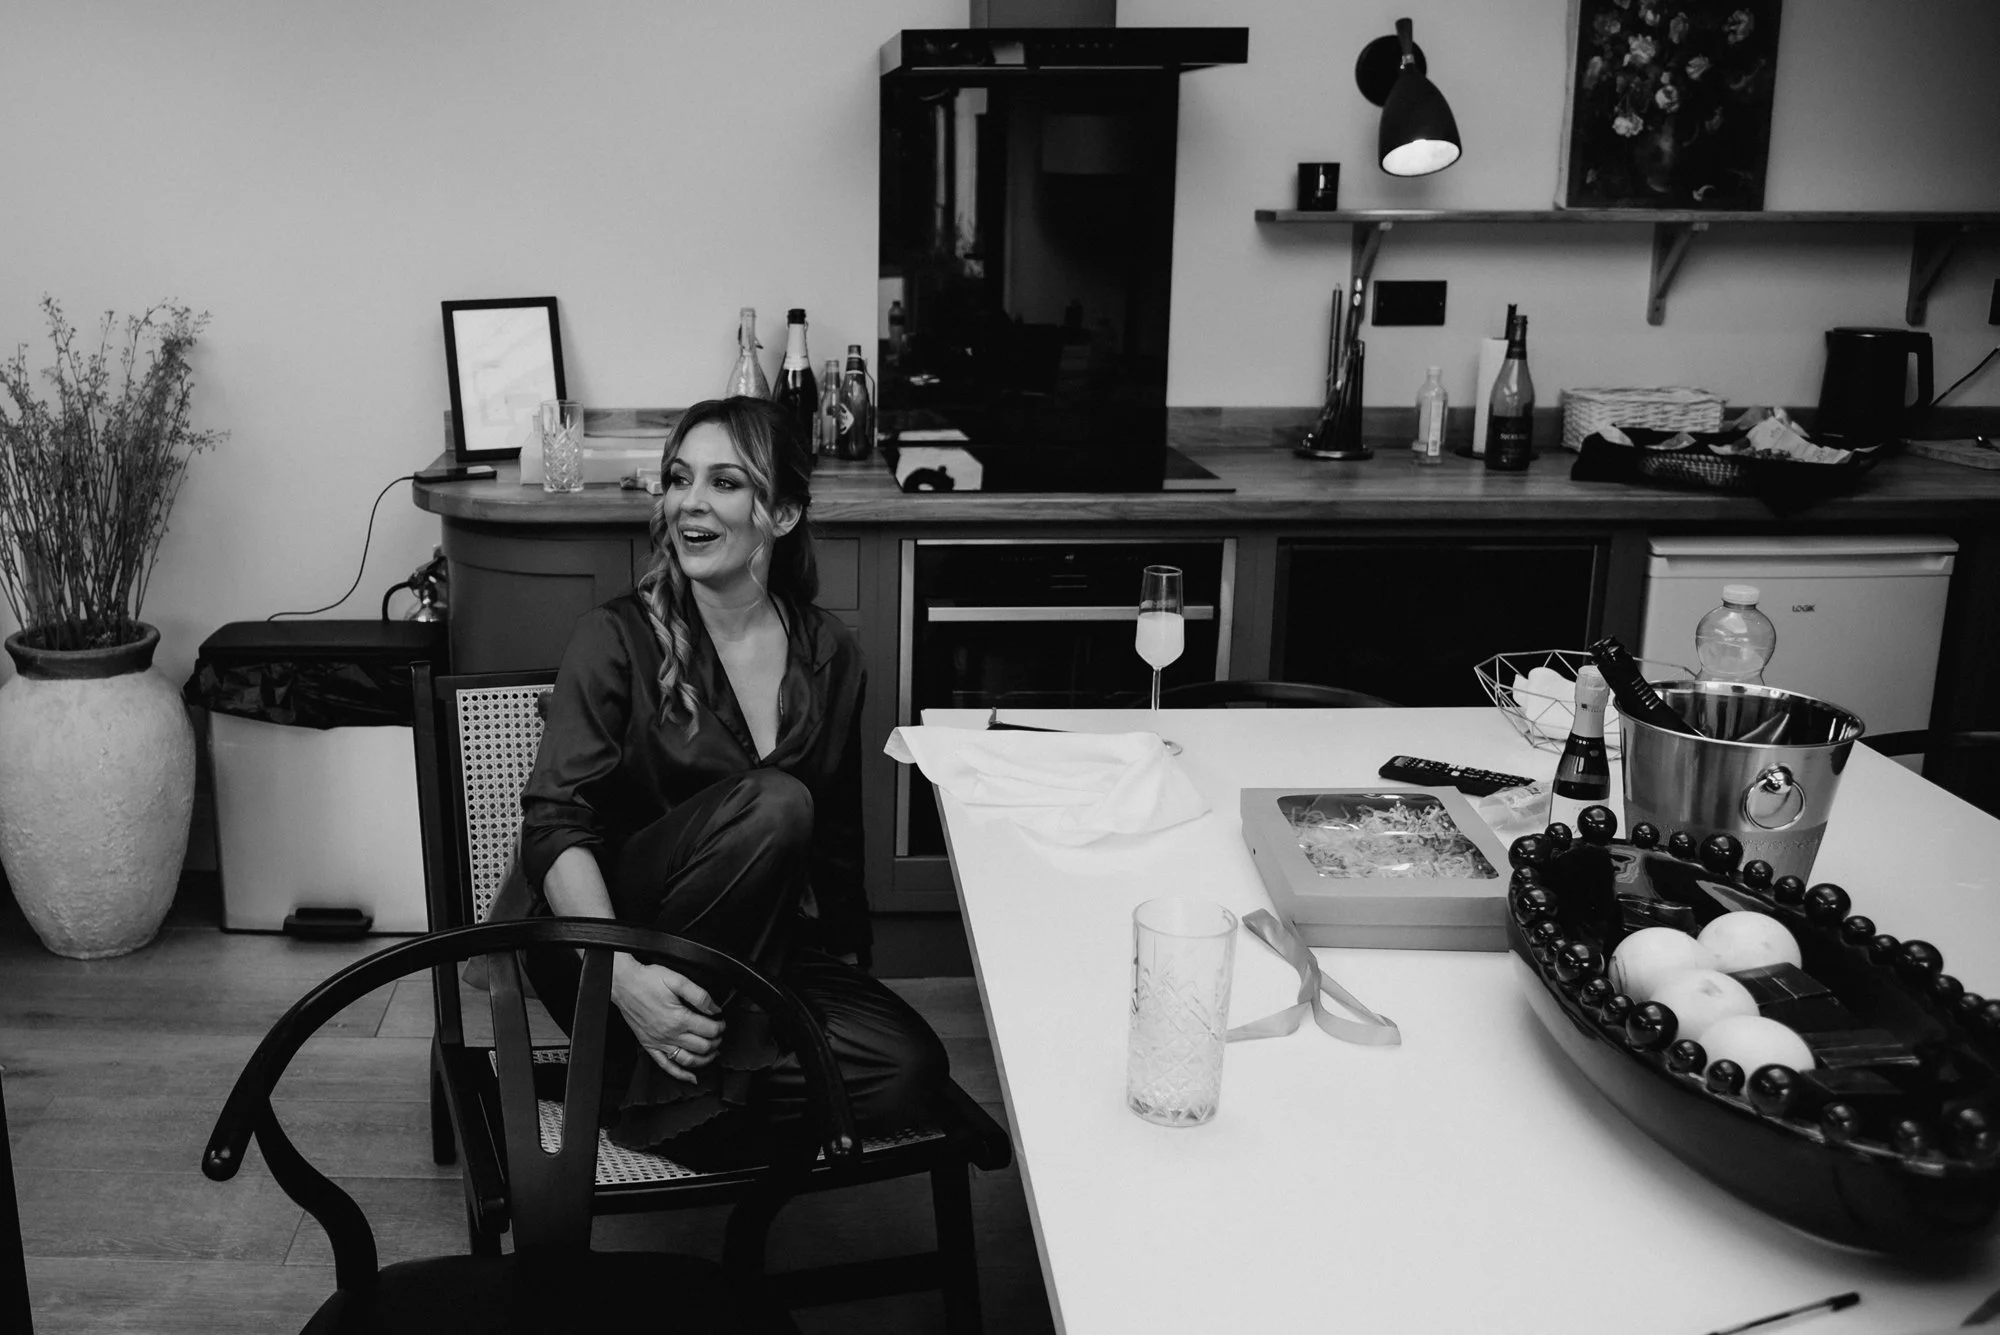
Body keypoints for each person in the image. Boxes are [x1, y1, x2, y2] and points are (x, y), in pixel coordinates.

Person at [507, 395, 946, 1163]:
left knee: (908, 1070)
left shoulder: (829, 652)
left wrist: (841, 990)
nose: (691, 503)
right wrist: (620, 977)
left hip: (761, 955)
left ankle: (656, 1083)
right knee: (776, 802)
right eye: (679, 479)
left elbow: (837, 851)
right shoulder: (613, 637)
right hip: (606, 942)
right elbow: (554, 825)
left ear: (781, 513)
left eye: (726, 482)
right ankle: (651, 1054)